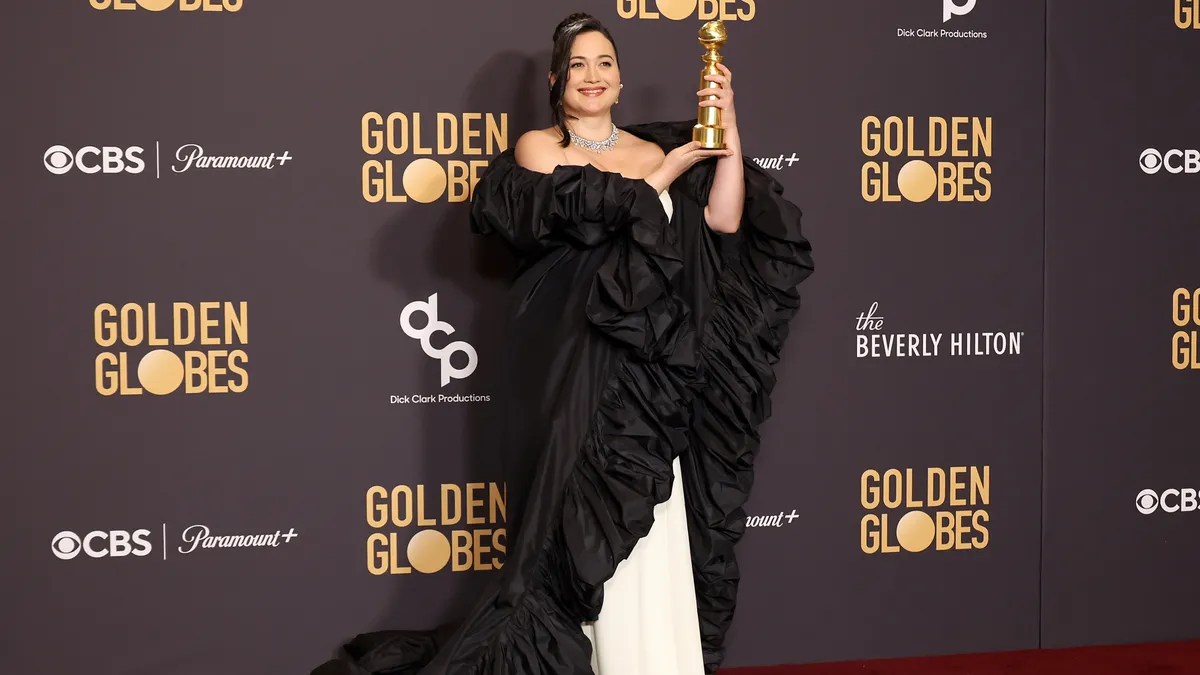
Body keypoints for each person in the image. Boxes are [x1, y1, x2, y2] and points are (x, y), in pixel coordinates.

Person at [313, 12, 813, 675]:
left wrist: (726, 124)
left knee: (643, 505)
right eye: (578, 64)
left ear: (621, 76)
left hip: (647, 368)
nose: (593, 76)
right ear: (556, 79)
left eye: (604, 62)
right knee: (569, 514)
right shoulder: (539, 149)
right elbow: (600, 218)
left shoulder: (650, 149)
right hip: (569, 357)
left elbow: (722, 219)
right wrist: (665, 174)